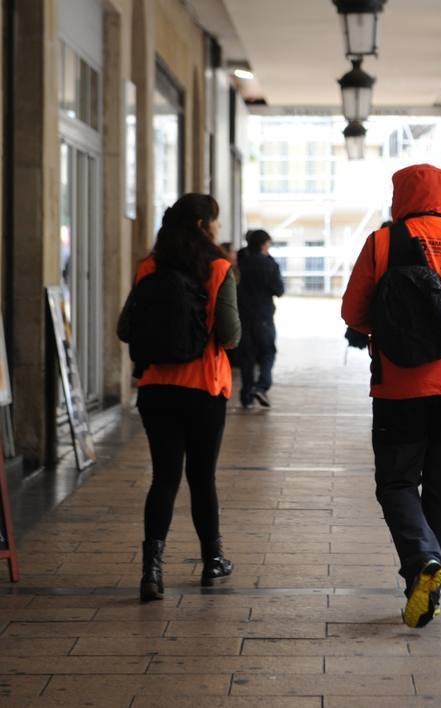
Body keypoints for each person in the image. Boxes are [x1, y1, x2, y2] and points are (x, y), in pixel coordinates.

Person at [341, 164, 441, 628]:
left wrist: (397, 325)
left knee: (395, 483)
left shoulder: (381, 242)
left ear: (401, 195)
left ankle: (422, 560)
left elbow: (353, 312)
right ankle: (431, 586)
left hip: (398, 385)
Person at [118, 194, 241, 602]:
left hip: (156, 387)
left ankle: (151, 570)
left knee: (164, 477)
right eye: (216, 222)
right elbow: (229, 335)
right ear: (205, 225)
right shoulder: (219, 268)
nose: (219, 229)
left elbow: (124, 328)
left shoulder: (148, 267)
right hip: (204, 387)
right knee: (201, 477)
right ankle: (212, 561)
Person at [235, 229, 284, 408]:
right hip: (263, 316)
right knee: (268, 353)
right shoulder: (270, 264)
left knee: (247, 357)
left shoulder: (241, 263)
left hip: (243, 316)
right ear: (264, 244)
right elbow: (279, 290)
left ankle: (246, 395)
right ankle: (261, 386)